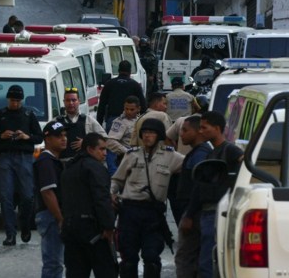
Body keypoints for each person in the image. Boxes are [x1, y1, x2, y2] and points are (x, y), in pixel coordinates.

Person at [111, 119, 184, 278]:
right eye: (144, 133)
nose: (147, 136)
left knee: (151, 258)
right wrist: (111, 194)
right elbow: (117, 180)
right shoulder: (131, 155)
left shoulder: (171, 156)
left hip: (153, 214)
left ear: (159, 135)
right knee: (128, 259)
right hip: (130, 212)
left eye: (151, 133)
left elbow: (191, 166)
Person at [185, 111, 243, 278]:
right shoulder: (212, 153)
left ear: (217, 128)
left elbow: (245, 162)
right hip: (208, 211)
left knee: (208, 262)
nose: (200, 131)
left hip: (217, 212)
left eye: (204, 127)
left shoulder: (229, 150)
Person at [0, 85, 43, 246]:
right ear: (8, 99)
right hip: (6, 157)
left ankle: (24, 225)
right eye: (13, 100)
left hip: (24, 158)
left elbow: (39, 137)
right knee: (6, 197)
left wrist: (26, 136)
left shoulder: (28, 114)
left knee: (27, 196)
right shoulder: (0, 115)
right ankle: (10, 234)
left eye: (18, 101)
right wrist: (1, 136)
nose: (15, 104)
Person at [61, 133, 117, 278]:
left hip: (71, 228)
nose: (105, 153)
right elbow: (102, 199)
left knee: (76, 272)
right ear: (90, 149)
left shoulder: (69, 167)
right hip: (93, 231)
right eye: (101, 149)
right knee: (106, 271)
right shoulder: (96, 168)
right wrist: (109, 226)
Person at [174, 116, 212, 278]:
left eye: (185, 130)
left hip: (194, 212)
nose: (181, 134)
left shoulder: (200, 155)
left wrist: (189, 214)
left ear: (198, 132)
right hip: (193, 211)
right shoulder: (197, 152)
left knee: (185, 256)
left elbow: (199, 185)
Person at [34, 121, 68, 278]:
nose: (64, 139)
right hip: (51, 216)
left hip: (52, 215)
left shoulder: (52, 160)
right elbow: (47, 193)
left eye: (64, 135)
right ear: (47, 139)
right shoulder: (46, 161)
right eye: (58, 136)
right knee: (53, 264)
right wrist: (60, 219)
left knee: (56, 263)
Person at [54, 88, 106, 163]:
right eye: (68, 100)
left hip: (83, 163)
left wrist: (86, 142)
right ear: (64, 102)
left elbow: (105, 138)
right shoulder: (56, 121)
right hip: (62, 163)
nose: (71, 103)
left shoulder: (88, 120)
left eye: (74, 100)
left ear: (79, 101)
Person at [96, 60, 147, 132]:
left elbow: (102, 105)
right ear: (130, 71)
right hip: (131, 121)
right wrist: (140, 120)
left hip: (112, 121)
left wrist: (99, 124)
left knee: (112, 142)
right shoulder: (135, 85)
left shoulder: (109, 84)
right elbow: (143, 106)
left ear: (118, 70)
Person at [105, 95, 141, 175]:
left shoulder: (140, 120)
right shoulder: (120, 122)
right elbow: (110, 141)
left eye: (132, 109)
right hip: (125, 160)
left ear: (138, 109)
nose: (128, 112)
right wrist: (127, 151)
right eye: (126, 109)